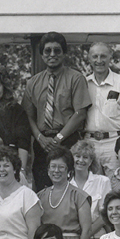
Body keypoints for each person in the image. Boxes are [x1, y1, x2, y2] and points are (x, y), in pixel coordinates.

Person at [22, 31, 91, 190]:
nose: (52, 54)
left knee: (68, 187)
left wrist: (59, 138)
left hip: (67, 141)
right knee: (42, 188)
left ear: (64, 53)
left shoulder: (75, 78)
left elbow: (80, 113)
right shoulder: (33, 82)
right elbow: (28, 116)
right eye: (48, 51)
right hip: (42, 143)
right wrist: (40, 137)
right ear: (42, 54)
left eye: (57, 50)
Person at [84, 42, 120, 174]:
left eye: (103, 56)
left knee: (117, 188)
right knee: (92, 189)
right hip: (90, 143)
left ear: (110, 57)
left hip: (115, 144)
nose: (99, 60)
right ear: (89, 59)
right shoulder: (83, 83)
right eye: (95, 56)